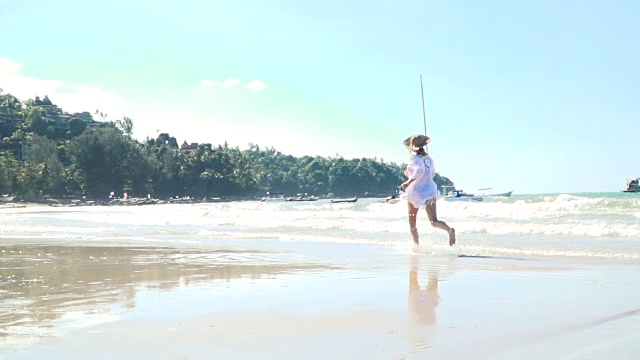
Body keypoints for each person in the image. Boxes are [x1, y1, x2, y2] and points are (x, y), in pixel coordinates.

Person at [400, 134, 456, 246]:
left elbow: (419, 171)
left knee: (412, 223)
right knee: (434, 221)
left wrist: (408, 182)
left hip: (415, 191)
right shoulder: (429, 159)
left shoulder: (414, 158)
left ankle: (416, 247)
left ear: (412, 147)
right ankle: (449, 230)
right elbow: (431, 173)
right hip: (430, 191)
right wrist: (410, 173)